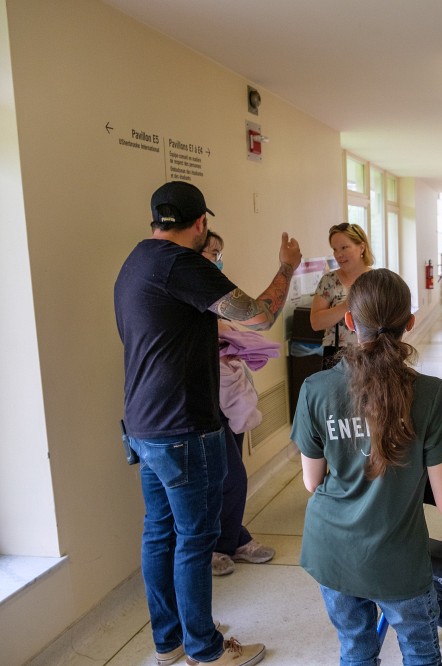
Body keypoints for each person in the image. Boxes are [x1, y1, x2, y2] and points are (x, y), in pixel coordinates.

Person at [291, 269, 442, 666]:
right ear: (410, 323)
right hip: (396, 562)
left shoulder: (315, 389)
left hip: (330, 552)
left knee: (355, 648)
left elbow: (312, 482)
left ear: (350, 320)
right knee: (419, 651)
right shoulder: (433, 395)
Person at [115, 181, 301, 666]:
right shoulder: (183, 264)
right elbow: (259, 317)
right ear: (199, 224)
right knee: (196, 538)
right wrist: (287, 268)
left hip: (143, 422)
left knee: (160, 531)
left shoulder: (136, 260)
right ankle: (205, 650)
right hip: (182, 426)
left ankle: (170, 641)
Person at [199, 231, 278, 577]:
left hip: (227, 391)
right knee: (231, 477)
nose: (218, 259)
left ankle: (231, 538)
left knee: (228, 473)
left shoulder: (214, 289)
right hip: (201, 397)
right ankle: (219, 543)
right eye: (213, 252)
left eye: (220, 252)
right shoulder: (186, 286)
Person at [310, 222, 374, 369]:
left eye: (344, 247)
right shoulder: (329, 281)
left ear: (362, 247)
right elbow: (316, 323)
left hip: (370, 354)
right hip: (336, 355)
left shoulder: (375, 280)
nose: (338, 255)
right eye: (335, 249)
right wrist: (346, 306)